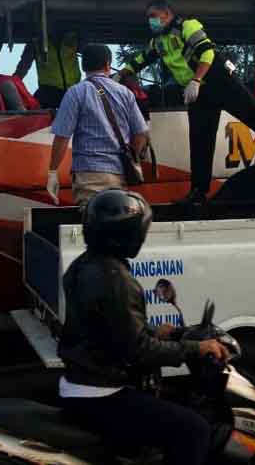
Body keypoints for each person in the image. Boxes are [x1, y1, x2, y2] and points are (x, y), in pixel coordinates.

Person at [58, 188, 228, 465]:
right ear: (126, 234)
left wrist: (156, 330)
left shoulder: (83, 266)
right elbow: (138, 350)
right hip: (103, 392)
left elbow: (106, 326)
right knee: (194, 430)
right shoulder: (116, 279)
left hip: (80, 381)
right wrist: (196, 348)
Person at [120, 0, 255, 204]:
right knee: (200, 139)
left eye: (153, 17)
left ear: (166, 14)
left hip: (217, 79)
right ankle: (198, 192)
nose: (151, 22)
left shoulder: (187, 26)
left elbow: (206, 52)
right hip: (198, 91)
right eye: (149, 18)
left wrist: (195, 80)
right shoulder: (159, 41)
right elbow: (141, 60)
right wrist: (120, 75)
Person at [48, 45, 149, 205]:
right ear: (108, 64)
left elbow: (62, 137)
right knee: (116, 218)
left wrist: (53, 171)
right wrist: (131, 157)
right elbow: (141, 133)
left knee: (94, 222)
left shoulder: (75, 93)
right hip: (119, 173)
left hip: (89, 176)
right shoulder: (125, 93)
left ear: (83, 66)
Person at [15, 29, 81, 109]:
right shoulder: (36, 42)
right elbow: (23, 66)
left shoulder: (74, 38)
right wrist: (14, 83)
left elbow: (92, 55)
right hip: (48, 92)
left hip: (73, 90)